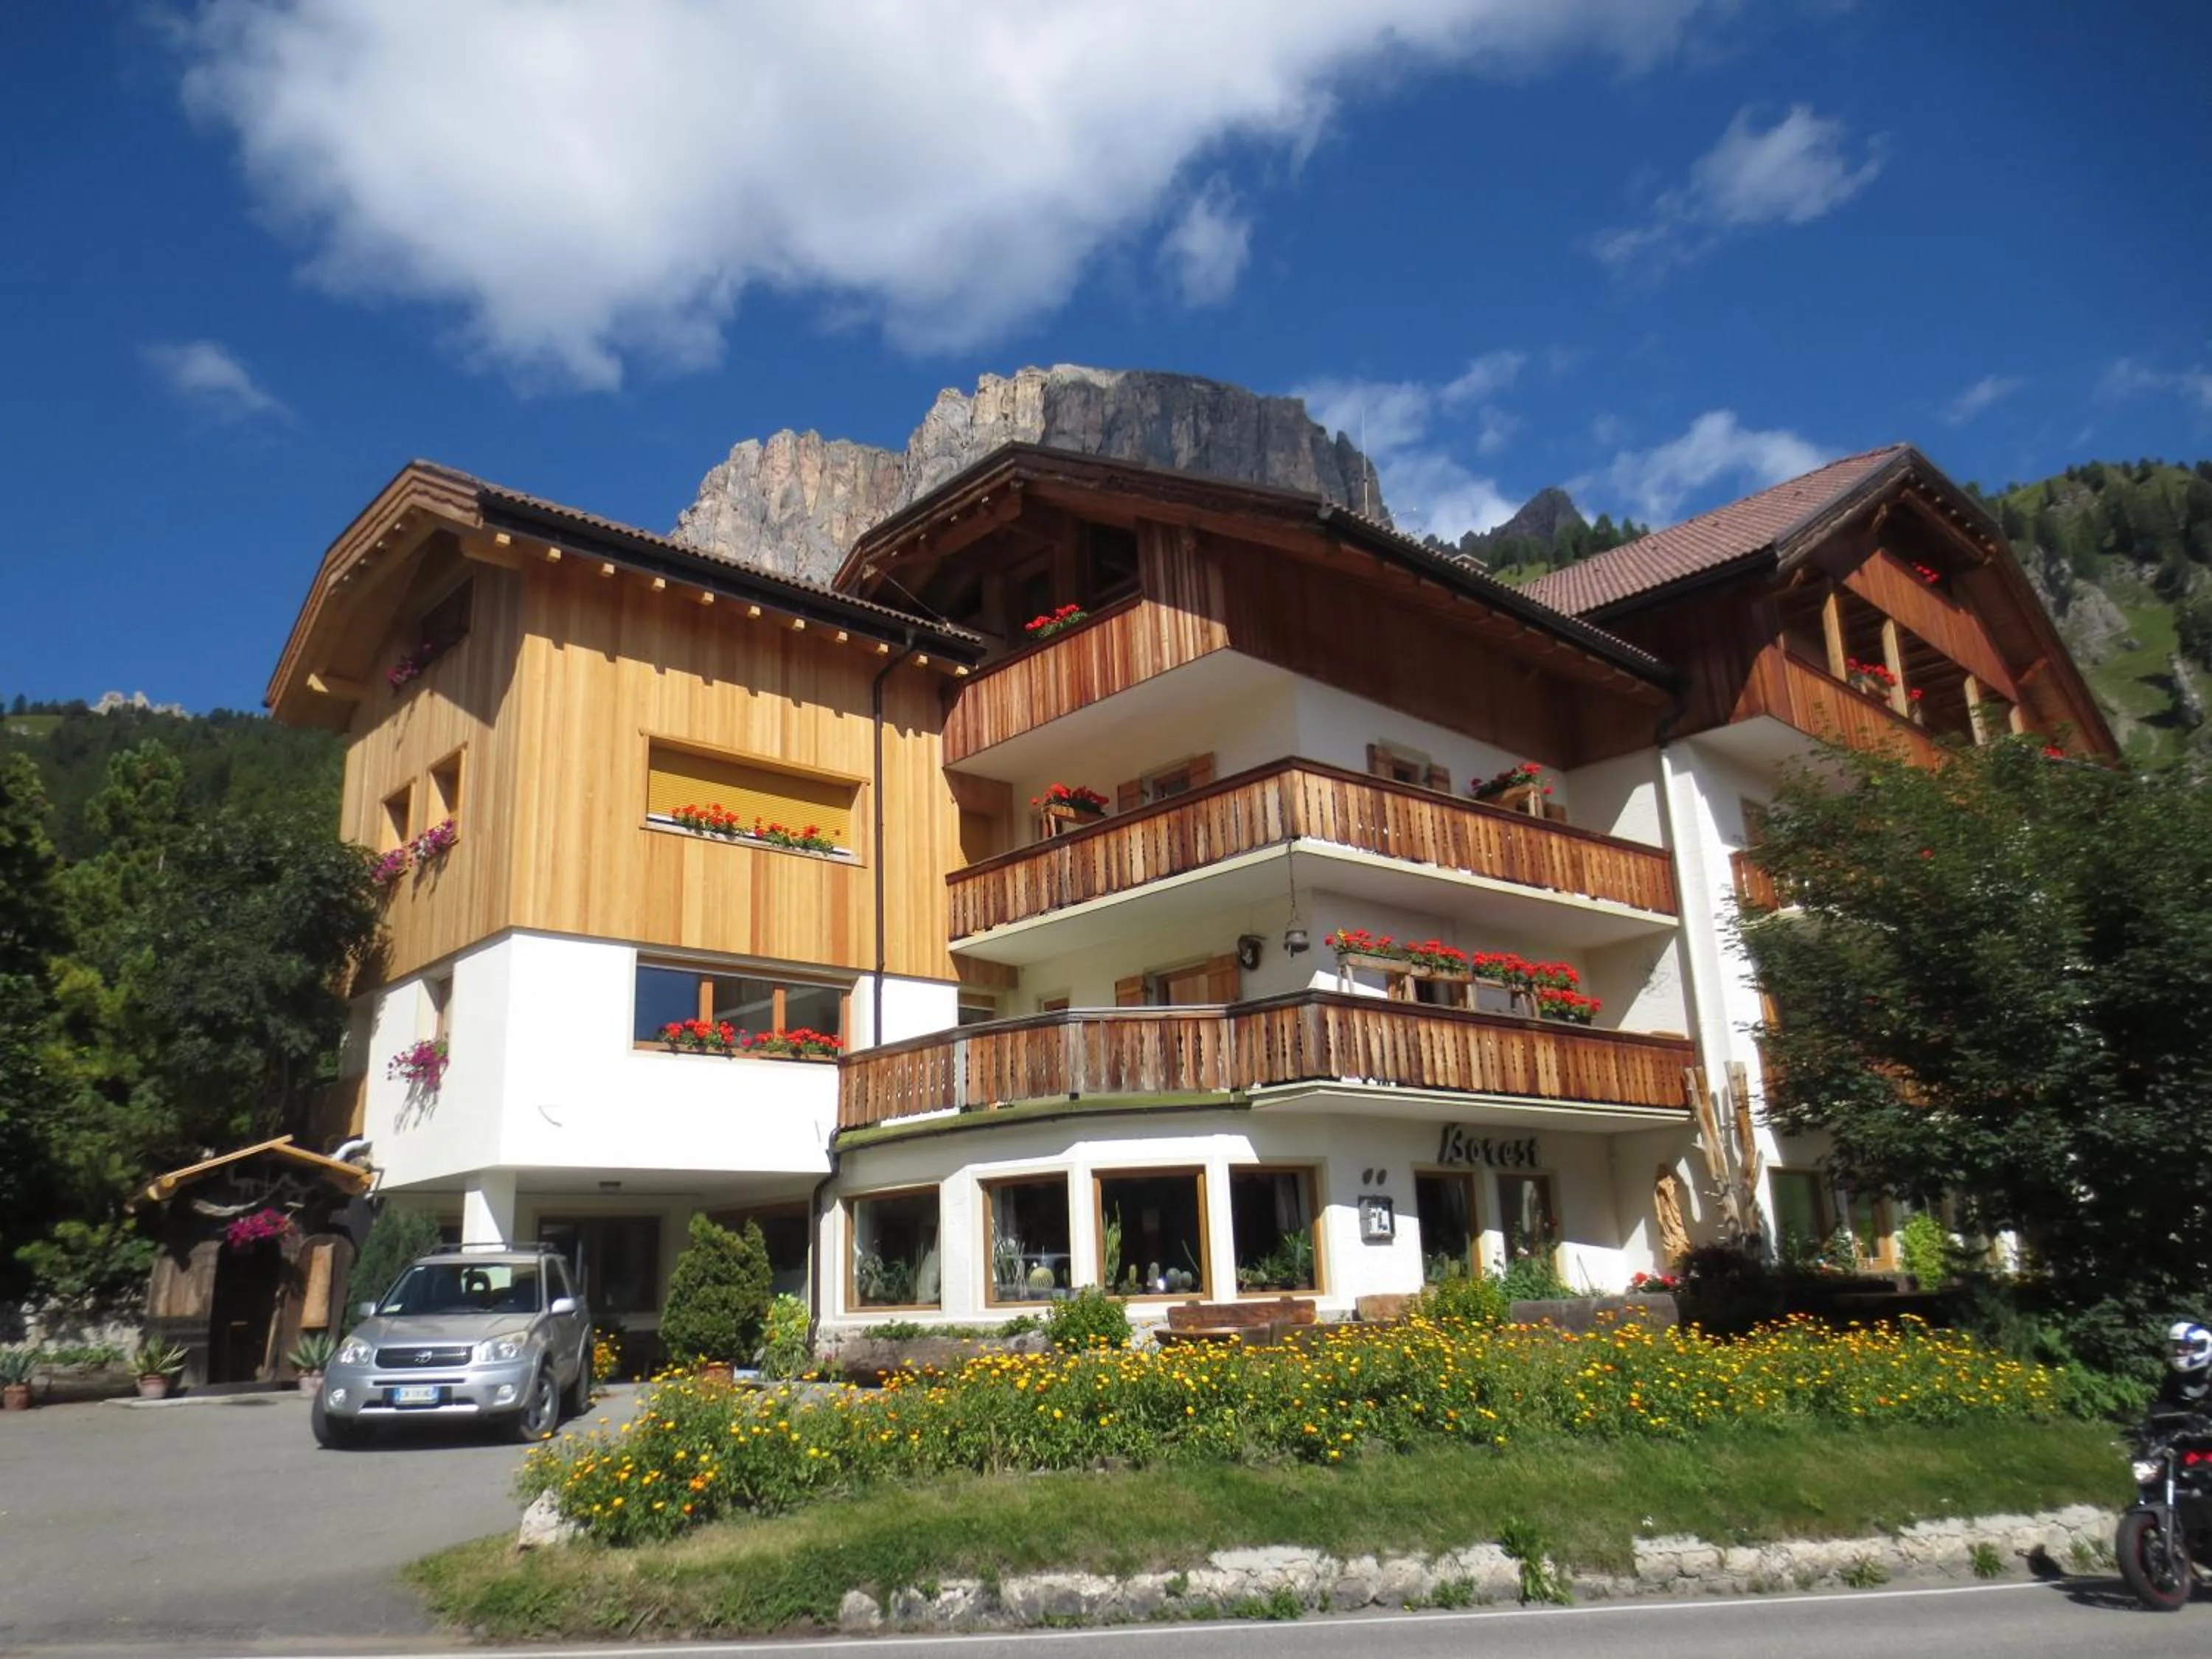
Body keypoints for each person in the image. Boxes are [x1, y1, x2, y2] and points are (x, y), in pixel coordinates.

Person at [2155, 1321, 2212, 1413]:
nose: (2179, 1352)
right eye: (2175, 1347)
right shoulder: (2175, 1377)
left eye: (2185, 1347)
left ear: (2202, 1347)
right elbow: (2163, 1406)